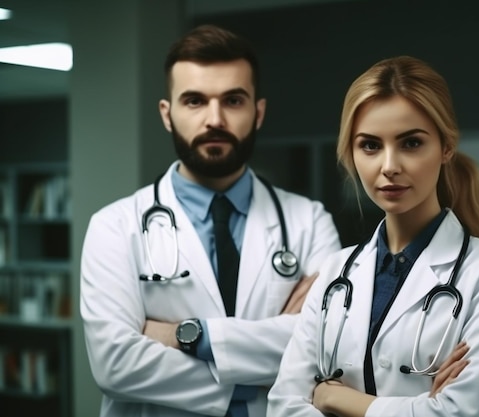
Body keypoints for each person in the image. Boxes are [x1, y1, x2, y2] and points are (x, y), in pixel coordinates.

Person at [79, 24, 342, 417]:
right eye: (195, 101)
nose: (214, 119)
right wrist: (257, 380)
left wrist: (188, 336)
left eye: (233, 101)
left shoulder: (308, 220)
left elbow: (329, 347)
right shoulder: (114, 226)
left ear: (259, 112)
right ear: (167, 115)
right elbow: (115, 365)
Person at [267, 55, 479, 416]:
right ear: (351, 155)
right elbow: (282, 406)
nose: (389, 166)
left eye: (411, 143)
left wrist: (332, 397)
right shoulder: (334, 272)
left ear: (446, 147)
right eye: (370, 145)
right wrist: (420, 405)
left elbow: (459, 413)